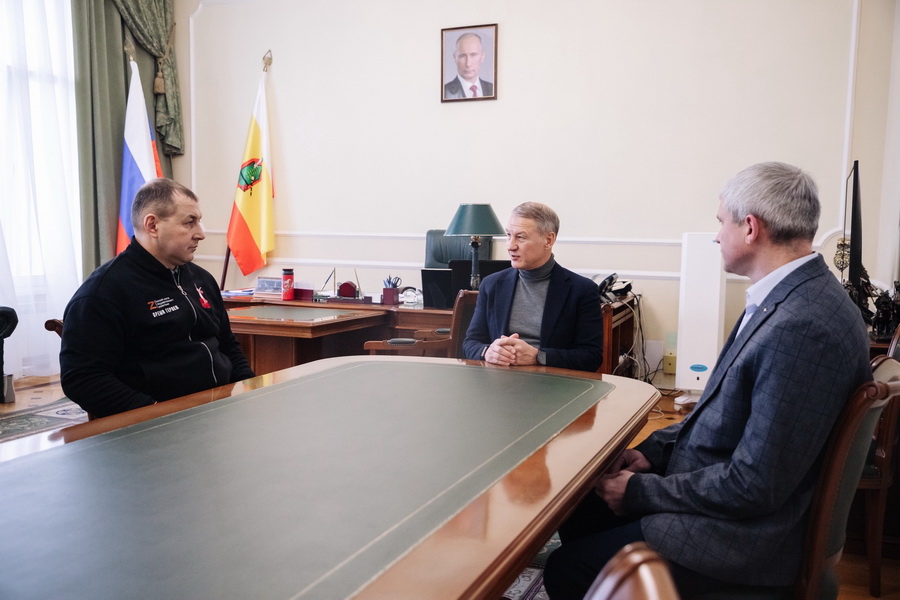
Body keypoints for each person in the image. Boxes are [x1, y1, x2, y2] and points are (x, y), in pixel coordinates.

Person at [542, 162, 873, 599]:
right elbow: (720, 410)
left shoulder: (801, 327)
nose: (717, 236)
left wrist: (642, 492)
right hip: (732, 506)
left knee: (565, 568)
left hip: (747, 542)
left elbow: (756, 485)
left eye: (721, 222)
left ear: (750, 227)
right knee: (582, 506)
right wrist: (651, 453)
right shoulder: (793, 296)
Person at [60, 178, 254, 418]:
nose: (201, 234)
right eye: (190, 222)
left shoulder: (202, 279)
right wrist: (155, 413)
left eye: (199, 221)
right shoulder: (103, 292)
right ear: (152, 225)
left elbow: (227, 345)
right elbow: (82, 378)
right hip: (158, 423)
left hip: (219, 410)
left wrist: (250, 389)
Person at [462, 202, 603, 372]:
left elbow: (591, 357)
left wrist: (538, 356)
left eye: (521, 237)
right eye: (508, 235)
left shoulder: (582, 290)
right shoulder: (491, 284)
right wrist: (487, 352)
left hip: (553, 382)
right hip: (499, 379)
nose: (510, 246)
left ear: (548, 240)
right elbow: (471, 343)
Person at [444, 32, 494, 99]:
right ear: (455, 58)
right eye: (462, 56)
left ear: (482, 56)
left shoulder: (492, 89)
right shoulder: (444, 92)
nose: (468, 64)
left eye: (473, 55)